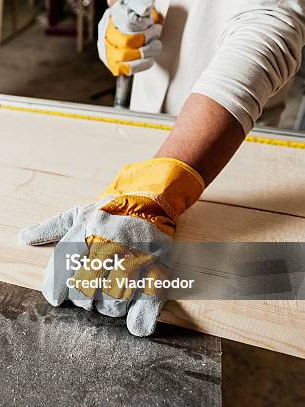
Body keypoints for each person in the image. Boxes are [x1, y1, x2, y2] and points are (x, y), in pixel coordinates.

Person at [19, 0, 305, 336]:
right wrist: (114, 26)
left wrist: (154, 191)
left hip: (220, 150)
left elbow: (269, 26)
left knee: (221, 319)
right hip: (144, 130)